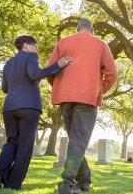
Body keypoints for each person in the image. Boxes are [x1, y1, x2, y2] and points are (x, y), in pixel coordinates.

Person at [0, 35, 73, 190]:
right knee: (25, 146)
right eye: (36, 46)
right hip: (29, 107)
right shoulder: (31, 56)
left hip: (9, 108)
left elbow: (5, 89)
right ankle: (13, 185)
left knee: (12, 142)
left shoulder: (8, 64)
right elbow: (34, 74)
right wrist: (58, 65)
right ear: (27, 46)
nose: (37, 50)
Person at [47, 18, 117, 194]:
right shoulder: (100, 44)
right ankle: (67, 183)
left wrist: (60, 88)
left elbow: (50, 70)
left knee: (76, 141)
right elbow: (112, 74)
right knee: (79, 141)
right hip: (87, 97)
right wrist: (99, 91)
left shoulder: (63, 42)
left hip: (65, 97)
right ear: (92, 29)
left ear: (77, 27)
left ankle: (84, 180)